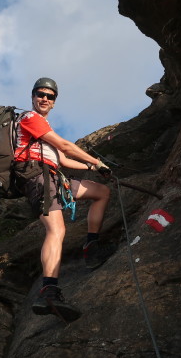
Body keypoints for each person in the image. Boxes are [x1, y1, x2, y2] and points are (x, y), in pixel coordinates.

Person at [13, 77, 112, 322]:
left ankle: (91, 245)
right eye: (40, 94)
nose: (44, 99)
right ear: (33, 96)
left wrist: (96, 170)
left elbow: (64, 160)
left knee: (101, 192)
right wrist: (96, 161)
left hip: (55, 178)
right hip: (38, 178)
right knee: (56, 230)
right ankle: (49, 290)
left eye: (50, 96)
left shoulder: (44, 129)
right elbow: (65, 147)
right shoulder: (29, 118)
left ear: (54, 102)